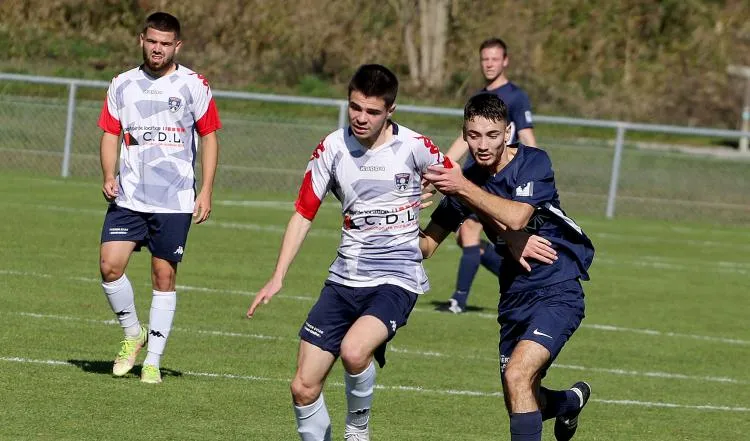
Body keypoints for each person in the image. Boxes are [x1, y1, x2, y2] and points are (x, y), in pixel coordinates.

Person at [246, 64, 450, 441]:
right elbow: (303, 213)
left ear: (391, 110)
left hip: (396, 276)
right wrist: (278, 276)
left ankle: (357, 428)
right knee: (303, 387)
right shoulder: (332, 148)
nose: (361, 117)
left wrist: (433, 216)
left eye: (372, 111)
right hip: (345, 278)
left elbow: (460, 186)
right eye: (355, 107)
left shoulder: (415, 146)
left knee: (354, 352)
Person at [420, 93, 594, 441]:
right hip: (514, 298)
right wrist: (393, 211)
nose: (483, 145)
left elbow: (517, 217)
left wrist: (463, 187)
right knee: (521, 398)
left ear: (507, 132)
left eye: (492, 135)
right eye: (474, 135)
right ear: (464, 135)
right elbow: (426, 247)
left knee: (517, 375)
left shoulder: (533, 162)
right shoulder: (466, 182)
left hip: (557, 289)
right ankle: (569, 402)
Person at [97, 12, 221, 384]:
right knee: (109, 266)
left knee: (163, 276)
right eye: (152, 41)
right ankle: (133, 334)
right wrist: (108, 174)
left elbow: (210, 136)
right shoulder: (122, 83)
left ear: (176, 46)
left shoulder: (194, 85)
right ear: (142, 40)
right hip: (129, 196)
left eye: (165, 43)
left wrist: (206, 189)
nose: (157, 49)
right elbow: (110, 133)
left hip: (174, 199)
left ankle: (152, 360)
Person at [441, 37, 537, 313]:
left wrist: (534, 171)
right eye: (485, 59)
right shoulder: (478, 98)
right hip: (476, 177)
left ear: (505, 61)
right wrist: (442, 165)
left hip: (501, 179)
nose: (489, 64)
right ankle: (523, 282)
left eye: (495, 59)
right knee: (467, 239)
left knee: (470, 231)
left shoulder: (516, 96)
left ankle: (458, 301)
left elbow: (527, 136)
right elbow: (464, 138)